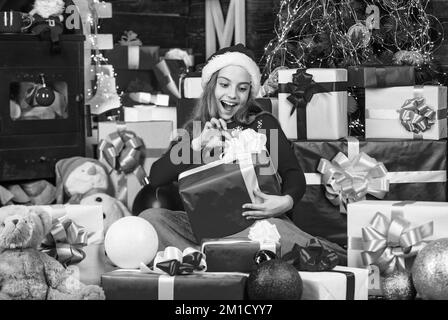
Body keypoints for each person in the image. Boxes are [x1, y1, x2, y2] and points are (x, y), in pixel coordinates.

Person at [139, 43, 347, 264]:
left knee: (300, 244)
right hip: (203, 230)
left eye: (242, 88)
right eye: (224, 84)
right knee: (150, 219)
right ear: (212, 86)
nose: (232, 95)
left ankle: (214, 259)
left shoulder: (263, 124)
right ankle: (226, 257)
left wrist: (285, 202)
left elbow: (292, 172)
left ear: (249, 93)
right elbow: (156, 177)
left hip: (257, 225)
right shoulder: (195, 131)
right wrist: (197, 144)